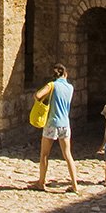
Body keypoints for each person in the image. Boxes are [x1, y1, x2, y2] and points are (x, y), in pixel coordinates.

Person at [33, 63, 77, 192]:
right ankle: (74, 184)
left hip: (52, 123)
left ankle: (41, 182)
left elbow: (37, 95)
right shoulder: (70, 87)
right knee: (68, 154)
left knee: (44, 154)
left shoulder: (52, 85)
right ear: (65, 73)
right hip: (65, 124)